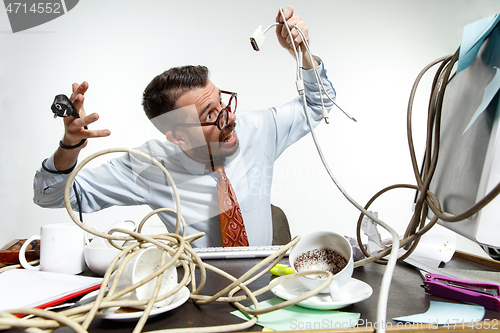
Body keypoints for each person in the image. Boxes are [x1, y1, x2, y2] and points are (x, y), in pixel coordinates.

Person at [33, 6, 336, 248]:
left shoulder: (256, 129)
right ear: (176, 137)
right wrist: (69, 146)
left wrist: (304, 53)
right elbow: (50, 196)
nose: (228, 118)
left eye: (223, 102)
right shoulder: (150, 166)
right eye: (209, 114)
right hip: (195, 296)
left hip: (264, 287)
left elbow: (318, 103)